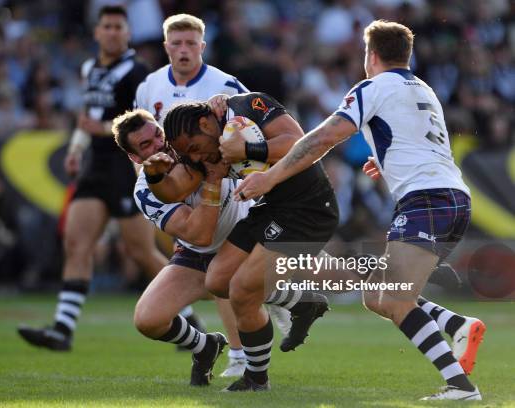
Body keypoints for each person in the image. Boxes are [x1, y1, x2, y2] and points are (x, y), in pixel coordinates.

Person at [234, 20, 484, 401]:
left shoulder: (372, 87)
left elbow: (321, 139)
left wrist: (269, 178)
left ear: (371, 55)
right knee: (376, 294)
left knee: (396, 299)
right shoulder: (422, 88)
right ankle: (458, 324)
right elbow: (421, 143)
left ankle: (461, 386)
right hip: (447, 195)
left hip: (428, 199)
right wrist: (385, 164)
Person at [159, 92, 339, 391]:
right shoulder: (209, 146)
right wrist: (154, 174)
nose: (195, 157)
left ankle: (257, 378)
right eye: (186, 154)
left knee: (243, 290)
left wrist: (247, 148)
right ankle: (303, 303)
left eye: (193, 147)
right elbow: (175, 186)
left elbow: (298, 141)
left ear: (205, 123)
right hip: (269, 209)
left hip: (308, 210)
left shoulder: (248, 105)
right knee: (217, 281)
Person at [17, 5, 168, 351]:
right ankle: (63, 328)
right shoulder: (91, 68)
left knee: (140, 251)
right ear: (97, 32)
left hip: (123, 164)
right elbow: (88, 114)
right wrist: (76, 147)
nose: (113, 32)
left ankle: (187, 318)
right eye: (108, 26)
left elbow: (144, 121)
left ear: (127, 33)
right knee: (76, 243)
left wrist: (100, 129)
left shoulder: (138, 71)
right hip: (94, 165)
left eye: (119, 27)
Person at [134, 13, 255, 377]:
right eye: (177, 43)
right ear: (166, 45)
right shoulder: (149, 85)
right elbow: (142, 149)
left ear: (202, 46)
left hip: (230, 192)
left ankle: (242, 357)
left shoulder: (226, 84)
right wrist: (157, 193)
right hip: (182, 199)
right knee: (211, 279)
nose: (184, 50)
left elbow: (249, 133)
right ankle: (221, 349)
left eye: (191, 44)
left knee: (227, 278)